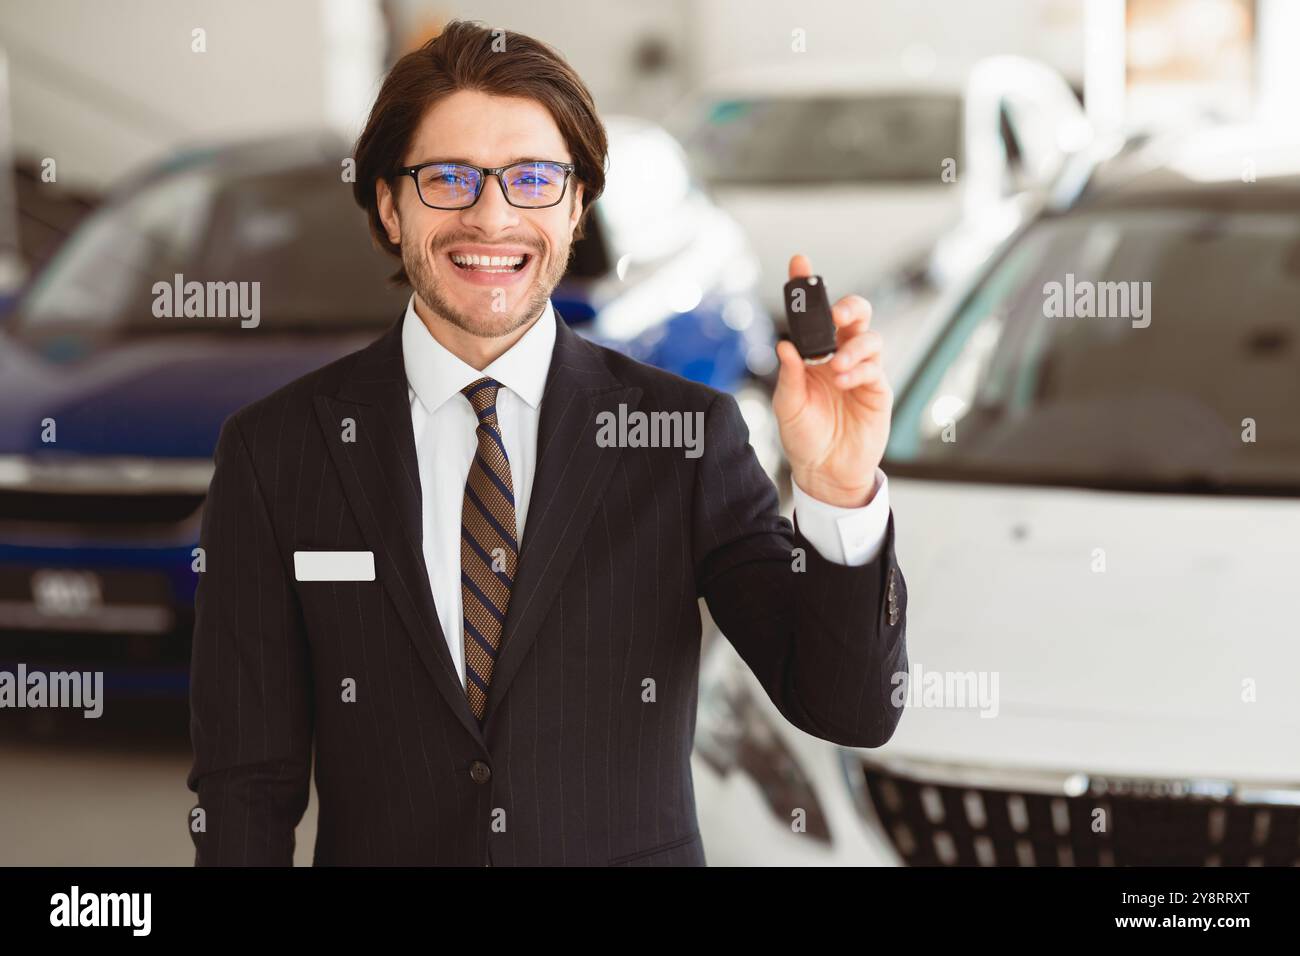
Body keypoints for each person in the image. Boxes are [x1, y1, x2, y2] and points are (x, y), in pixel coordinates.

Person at [187, 19, 907, 866]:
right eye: (448, 178)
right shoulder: (277, 452)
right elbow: (245, 787)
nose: (491, 218)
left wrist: (837, 487)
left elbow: (849, 709)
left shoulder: (683, 438)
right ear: (388, 204)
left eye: (531, 180)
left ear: (574, 209)